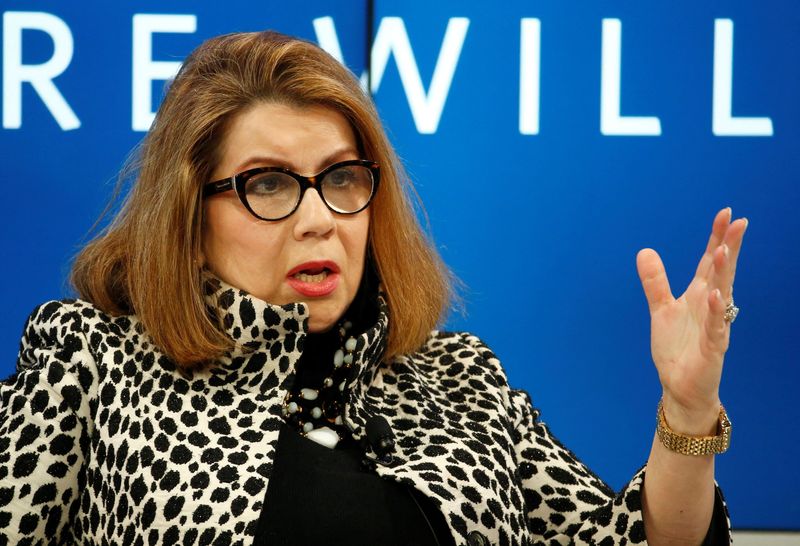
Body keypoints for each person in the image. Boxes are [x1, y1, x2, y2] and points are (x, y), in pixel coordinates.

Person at [0, 30, 746, 546]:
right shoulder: (92, 364)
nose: (320, 219)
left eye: (342, 179)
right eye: (268, 184)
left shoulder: (462, 382)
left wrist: (686, 407)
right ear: (191, 214)